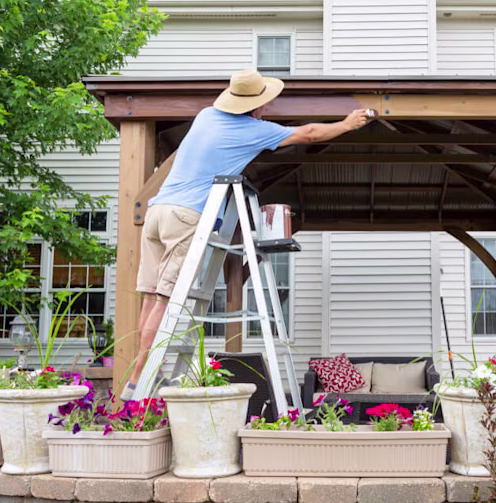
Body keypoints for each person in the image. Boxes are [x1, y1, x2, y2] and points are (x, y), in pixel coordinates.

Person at [122, 69, 371, 400]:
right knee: (166, 300)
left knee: (151, 297)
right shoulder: (253, 130)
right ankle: (142, 377)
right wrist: (346, 124)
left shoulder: (206, 116)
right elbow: (308, 133)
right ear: (257, 106)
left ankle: (137, 375)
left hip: (157, 210)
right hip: (186, 215)